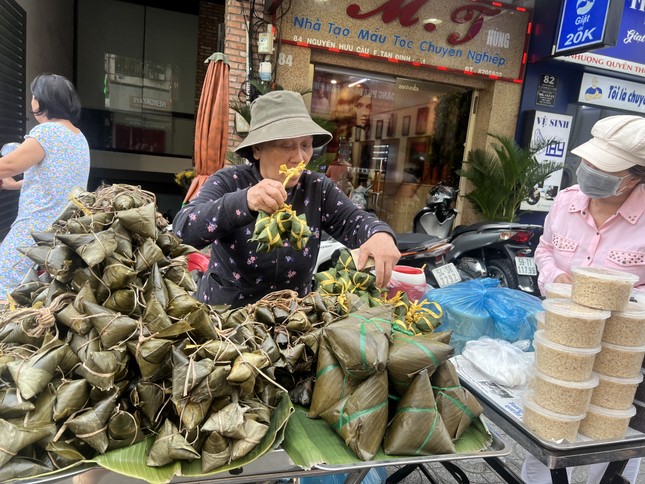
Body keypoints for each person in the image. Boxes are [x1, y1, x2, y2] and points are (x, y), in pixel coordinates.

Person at [172, 90, 400, 308]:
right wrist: (245, 201)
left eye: (306, 145)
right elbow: (183, 231)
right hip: (228, 320)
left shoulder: (317, 188)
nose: (299, 158)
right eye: (286, 146)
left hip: (291, 321)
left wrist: (379, 234)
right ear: (258, 149)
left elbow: (354, 221)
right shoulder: (229, 181)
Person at [525, 115, 645, 484]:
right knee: (546, 427)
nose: (589, 171)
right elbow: (544, 249)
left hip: (619, 354)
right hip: (563, 341)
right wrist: (553, 275)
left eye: (603, 168)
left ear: (636, 176)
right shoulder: (566, 201)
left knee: (609, 438)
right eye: (588, 162)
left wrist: (617, 298)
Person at [0, 74, 90, 302]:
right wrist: (18, 185)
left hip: (33, 233)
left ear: (40, 102)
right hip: (63, 237)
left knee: (6, 288)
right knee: (37, 298)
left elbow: (8, 164)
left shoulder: (47, 133)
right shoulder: (79, 137)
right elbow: (60, 180)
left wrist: (9, 174)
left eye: (33, 95)